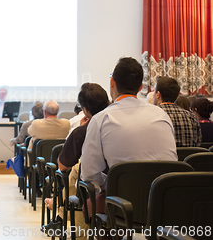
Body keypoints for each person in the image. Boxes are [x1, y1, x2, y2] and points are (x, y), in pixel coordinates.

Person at [80, 57, 177, 195]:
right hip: (165, 203)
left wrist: (114, 182)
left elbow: (89, 174)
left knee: (88, 206)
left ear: (112, 82)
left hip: (125, 204)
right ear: (140, 87)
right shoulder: (161, 115)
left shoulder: (101, 119)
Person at [44, 83, 110, 232]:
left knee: (78, 172)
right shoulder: (118, 126)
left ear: (85, 110)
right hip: (127, 191)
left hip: (94, 194)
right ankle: (59, 212)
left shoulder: (81, 132)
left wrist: (78, 129)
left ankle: (62, 215)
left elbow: (62, 166)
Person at [153, 76, 201, 147]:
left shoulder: (152, 115)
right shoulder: (191, 117)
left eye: (154, 91)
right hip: (187, 157)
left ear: (158, 94)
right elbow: (198, 145)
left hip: (163, 158)